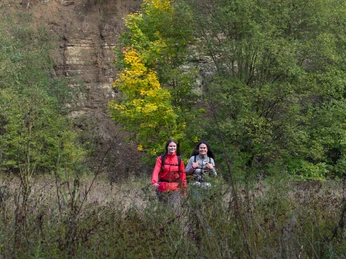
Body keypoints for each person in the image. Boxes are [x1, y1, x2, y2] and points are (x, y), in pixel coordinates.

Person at [151, 139, 186, 206]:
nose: (172, 148)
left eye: (174, 146)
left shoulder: (179, 160)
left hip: (175, 188)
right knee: (163, 208)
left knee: (174, 209)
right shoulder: (161, 159)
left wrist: (184, 189)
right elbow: (156, 171)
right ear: (167, 147)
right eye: (170, 146)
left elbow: (182, 175)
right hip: (162, 187)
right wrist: (154, 182)